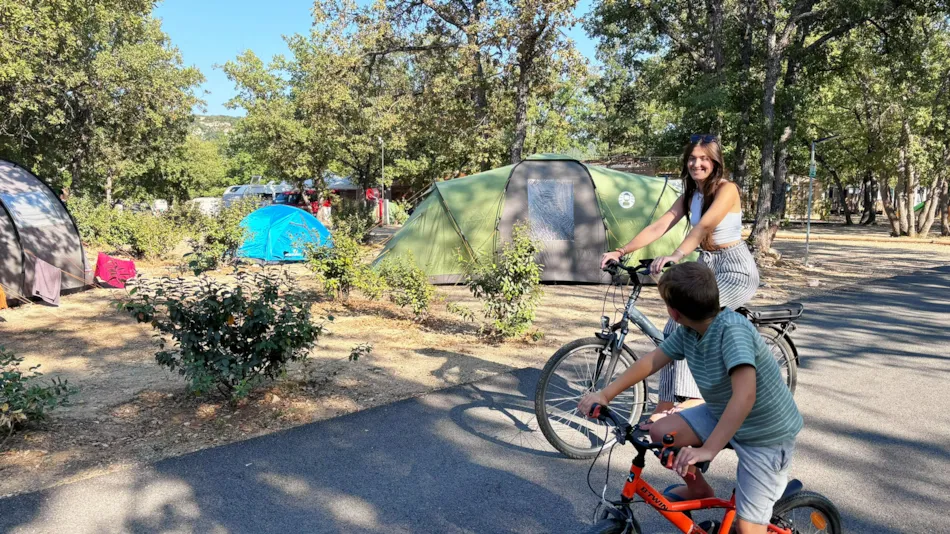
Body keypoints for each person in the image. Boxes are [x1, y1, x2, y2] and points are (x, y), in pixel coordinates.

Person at [578, 263, 801, 534]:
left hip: (765, 434)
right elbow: (652, 361)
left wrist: (708, 450)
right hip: (723, 412)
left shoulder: (732, 331)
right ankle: (699, 490)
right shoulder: (689, 332)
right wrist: (605, 394)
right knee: (662, 431)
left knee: (747, 529)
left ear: (674, 313)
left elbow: (745, 396)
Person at [600, 134, 759, 429]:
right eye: (692, 159)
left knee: (688, 322)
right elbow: (659, 226)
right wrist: (620, 251)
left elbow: (705, 226)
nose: (697, 164)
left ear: (715, 162)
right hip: (706, 267)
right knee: (674, 325)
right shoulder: (690, 195)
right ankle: (667, 402)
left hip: (735, 270)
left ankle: (689, 400)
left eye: (704, 159)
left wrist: (676, 255)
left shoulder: (727, 189)